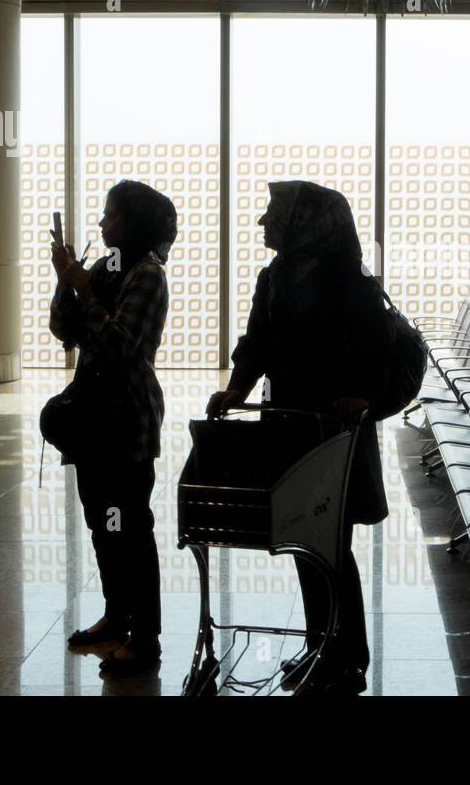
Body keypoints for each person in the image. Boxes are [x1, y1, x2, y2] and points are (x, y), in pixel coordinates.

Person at [206, 180, 388, 696]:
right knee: (302, 541)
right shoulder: (277, 276)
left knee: (329, 545)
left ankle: (347, 656)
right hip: (289, 426)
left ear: (309, 223)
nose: (264, 222)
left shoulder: (351, 284)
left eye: (275, 213)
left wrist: (361, 395)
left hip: (332, 435)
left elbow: (376, 355)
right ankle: (319, 645)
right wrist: (237, 387)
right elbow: (255, 342)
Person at [49, 179, 177, 677]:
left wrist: (83, 290)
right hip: (93, 419)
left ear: (134, 223)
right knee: (102, 525)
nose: (101, 223)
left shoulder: (147, 275)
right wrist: (67, 280)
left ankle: (145, 636)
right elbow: (65, 329)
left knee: (131, 529)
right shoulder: (105, 269)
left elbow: (119, 347)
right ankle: (117, 616)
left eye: (111, 215)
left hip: (126, 419)